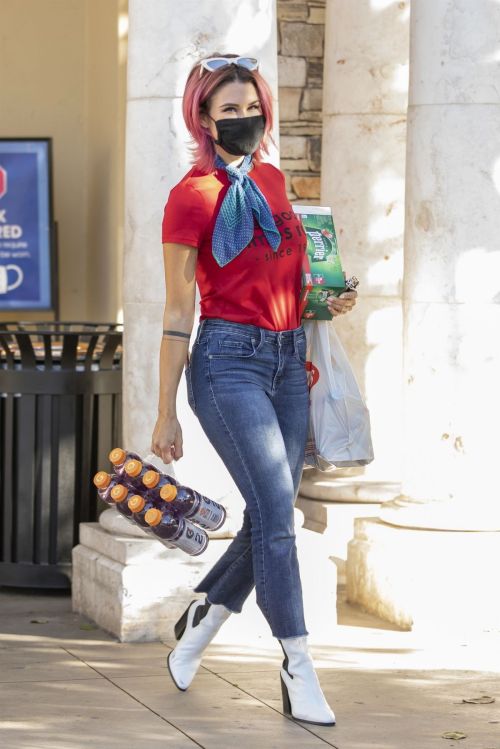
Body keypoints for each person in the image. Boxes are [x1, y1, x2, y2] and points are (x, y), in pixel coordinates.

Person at [151, 53, 357, 726]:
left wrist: (328, 297)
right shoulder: (191, 196)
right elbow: (178, 311)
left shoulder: (272, 179)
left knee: (273, 510)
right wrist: (164, 413)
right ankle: (298, 663)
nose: (245, 118)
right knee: (276, 512)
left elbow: (288, 277)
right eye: (228, 110)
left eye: (251, 107)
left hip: (287, 357)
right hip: (227, 361)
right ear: (204, 120)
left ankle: (204, 615)